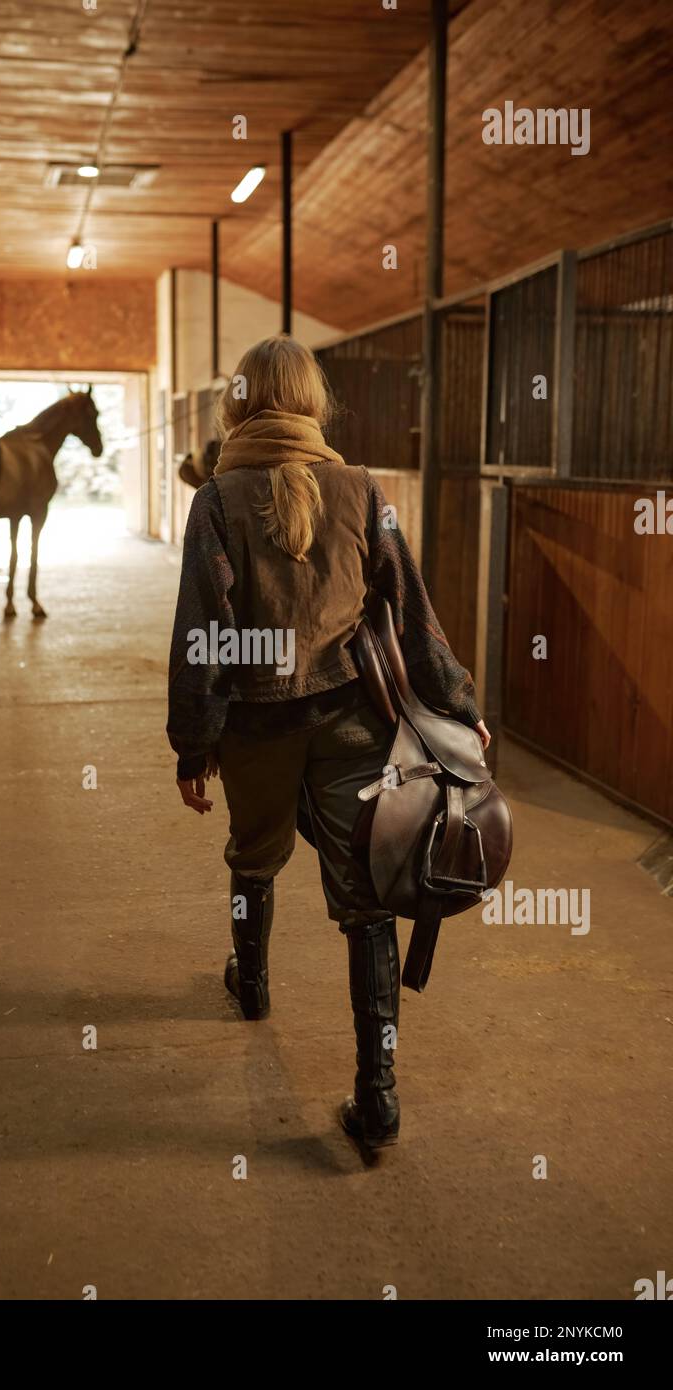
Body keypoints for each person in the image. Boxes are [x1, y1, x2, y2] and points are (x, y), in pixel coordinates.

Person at [166, 335, 489, 1154]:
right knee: (369, 897)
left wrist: (193, 742)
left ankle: (255, 984)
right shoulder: (361, 488)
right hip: (353, 722)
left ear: (239, 402)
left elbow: (205, 633)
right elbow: (411, 610)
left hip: (255, 725)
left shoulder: (217, 498)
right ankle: (377, 1095)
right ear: (313, 400)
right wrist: (460, 701)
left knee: (253, 855)